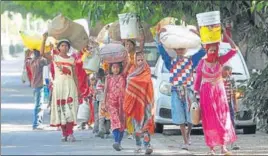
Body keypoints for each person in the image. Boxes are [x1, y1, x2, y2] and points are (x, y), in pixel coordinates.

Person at [156, 28, 206, 150]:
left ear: (186, 49)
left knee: (191, 116)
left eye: (181, 48)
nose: (179, 50)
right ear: (174, 49)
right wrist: (159, 36)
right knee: (179, 117)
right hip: (176, 91)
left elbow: (203, 50)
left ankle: (188, 136)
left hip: (188, 91)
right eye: (177, 48)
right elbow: (162, 51)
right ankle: (185, 139)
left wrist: (198, 35)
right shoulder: (170, 62)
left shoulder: (191, 60)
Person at [194, 29, 237, 155]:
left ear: (218, 50)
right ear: (207, 50)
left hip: (220, 94)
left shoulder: (220, 60)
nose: (213, 52)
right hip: (206, 95)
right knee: (209, 121)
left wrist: (226, 36)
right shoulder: (202, 63)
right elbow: (197, 82)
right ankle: (211, 149)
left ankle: (223, 148)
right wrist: (193, 97)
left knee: (223, 119)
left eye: (215, 50)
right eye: (210, 50)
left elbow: (234, 50)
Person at [40, 33, 79, 142]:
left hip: (70, 86)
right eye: (62, 45)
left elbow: (75, 75)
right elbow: (42, 53)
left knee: (70, 109)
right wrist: (43, 39)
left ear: (69, 47)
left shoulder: (72, 59)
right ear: (59, 47)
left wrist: (78, 89)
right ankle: (64, 133)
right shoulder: (54, 57)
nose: (64, 47)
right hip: (58, 86)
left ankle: (70, 133)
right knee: (60, 109)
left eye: (66, 45)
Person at [124, 51, 154, 154]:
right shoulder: (132, 70)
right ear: (135, 61)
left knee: (146, 124)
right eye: (138, 60)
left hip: (146, 101)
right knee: (136, 125)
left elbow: (146, 82)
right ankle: (138, 145)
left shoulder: (147, 70)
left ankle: (147, 146)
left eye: (142, 60)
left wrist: (135, 81)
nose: (140, 62)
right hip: (135, 103)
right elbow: (129, 82)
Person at [25, 49, 49, 130]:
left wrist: (29, 52)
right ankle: (36, 124)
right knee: (39, 105)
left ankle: (38, 123)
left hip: (35, 85)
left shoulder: (31, 61)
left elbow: (27, 59)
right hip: (40, 85)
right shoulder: (41, 61)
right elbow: (48, 61)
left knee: (38, 104)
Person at [104, 62, 126, 151]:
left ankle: (119, 143)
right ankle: (116, 141)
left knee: (121, 123)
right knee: (115, 121)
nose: (116, 69)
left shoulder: (123, 77)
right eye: (114, 67)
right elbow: (105, 90)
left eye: (117, 67)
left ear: (120, 68)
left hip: (122, 102)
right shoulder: (108, 78)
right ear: (111, 68)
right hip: (111, 102)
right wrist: (104, 102)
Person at [222, 65, 240, 150]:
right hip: (221, 104)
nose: (230, 74)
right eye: (228, 71)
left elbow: (234, 92)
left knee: (232, 122)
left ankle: (233, 142)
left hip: (229, 103)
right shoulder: (218, 79)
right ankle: (223, 144)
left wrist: (236, 104)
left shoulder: (231, 79)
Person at [96, 68, 111, 138]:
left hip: (107, 101)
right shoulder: (99, 81)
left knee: (107, 117)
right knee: (101, 116)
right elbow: (97, 90)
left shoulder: (107, 80)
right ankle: (101, 131)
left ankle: (107, 131)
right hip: (101, 100)